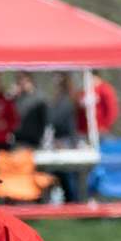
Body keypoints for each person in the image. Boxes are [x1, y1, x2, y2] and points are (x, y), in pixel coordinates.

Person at [48, 72, 78, 202]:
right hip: (60, 139)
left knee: (67, 174)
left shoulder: (67, 99)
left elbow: (57, 119)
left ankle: (72, 201)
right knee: (59, 173)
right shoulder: (59, 98)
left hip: (66, 140)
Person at [74, 70, 120, 139]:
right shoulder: (85, 91)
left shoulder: (105, 89)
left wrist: (105, 125)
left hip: (100, 129)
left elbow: (112, 110)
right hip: (85, 130)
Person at [13, 71, 48, 148]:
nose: (22, 83)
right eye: (19, 80)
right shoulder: (16, 98)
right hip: (19, 139)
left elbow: (45, 120)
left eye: (24, 80)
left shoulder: (39, 99)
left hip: (34, 141)